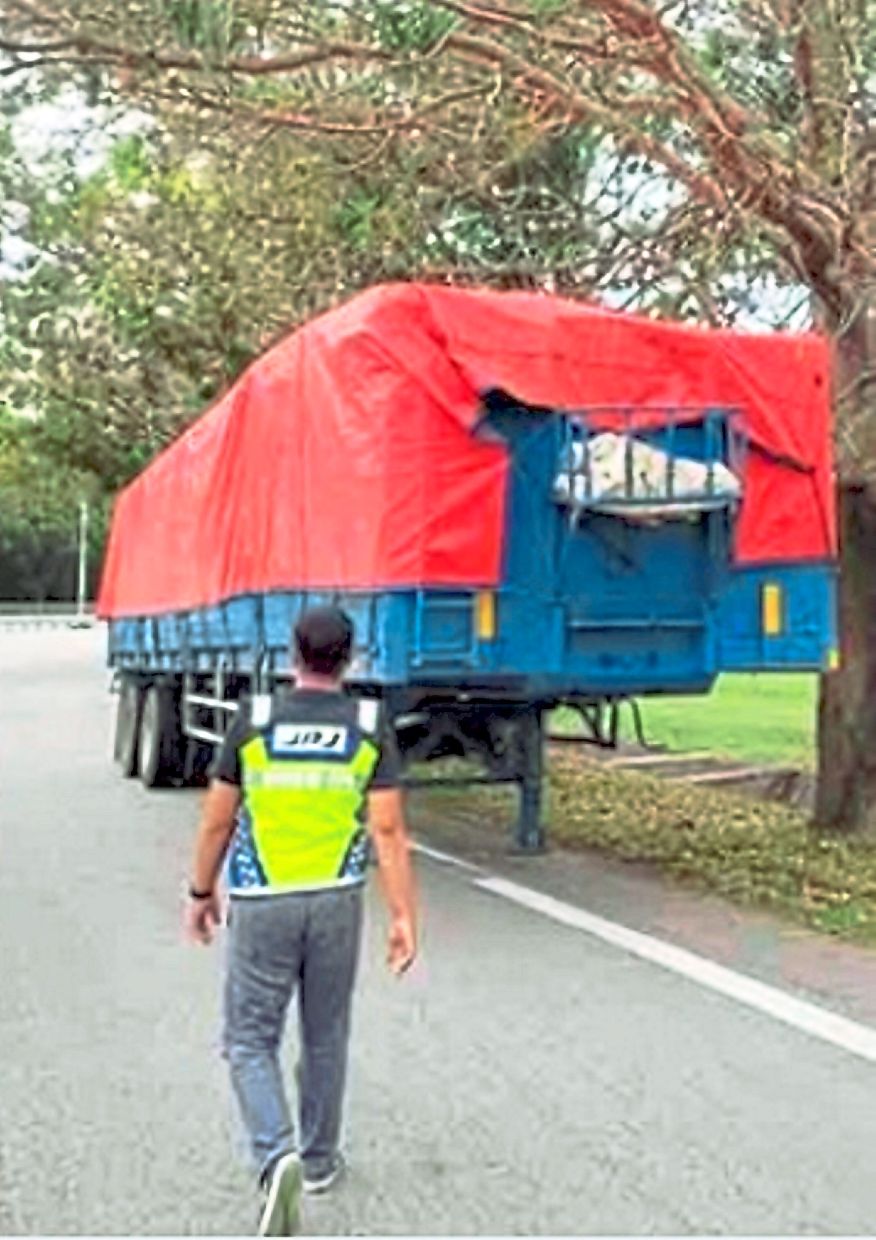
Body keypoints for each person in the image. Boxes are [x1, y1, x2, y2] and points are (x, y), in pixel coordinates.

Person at [183, 605, 417, 1236]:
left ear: (293, 654)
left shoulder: (255, 719)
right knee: (325, 1033)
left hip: (262, 901)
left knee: (249, 1038)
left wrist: (201, 890)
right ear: (350, 657)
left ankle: (273, 1152)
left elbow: (217, 819)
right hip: (337, 899)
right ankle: (316, 1161)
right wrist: (402, 915)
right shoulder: (370, 724)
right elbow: (388, 828)